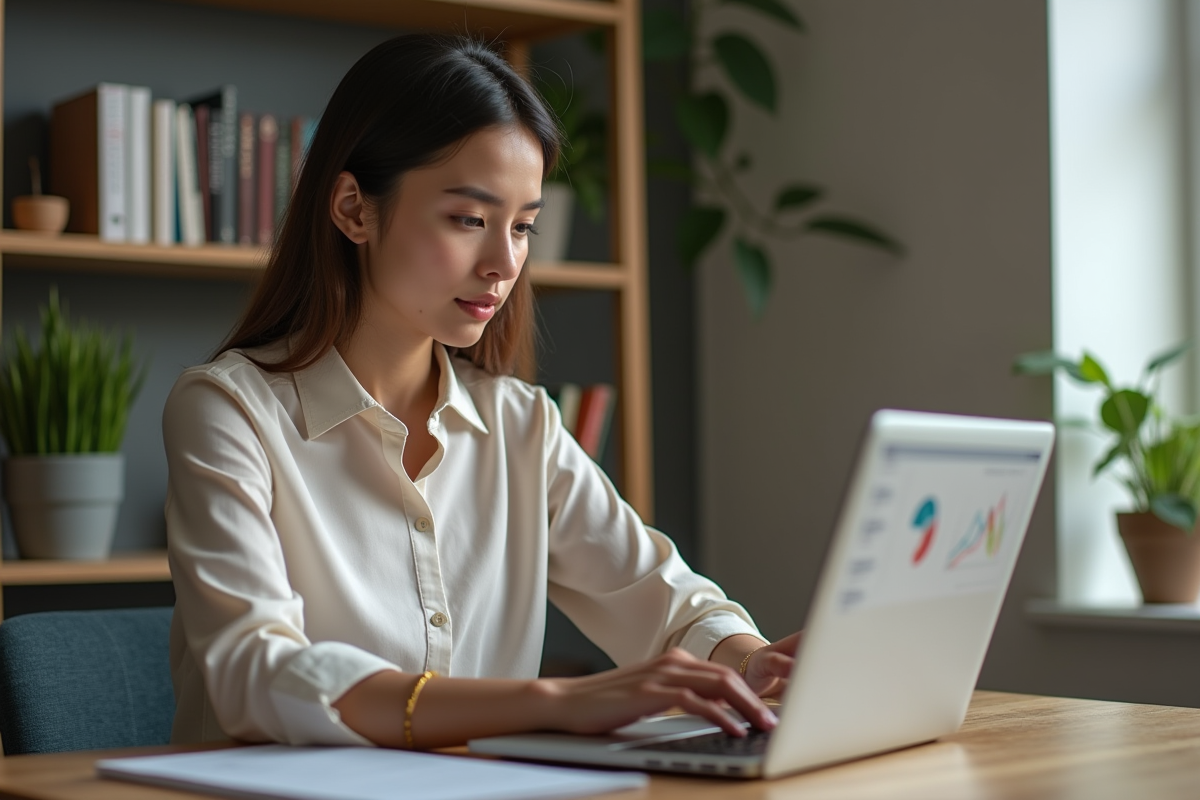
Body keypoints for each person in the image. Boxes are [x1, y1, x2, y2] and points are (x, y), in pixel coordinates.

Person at [163, 33, 798, 750]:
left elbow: (663, 602)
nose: (504, 263)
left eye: (522, 226)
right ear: (352, 209)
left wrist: (755, 662)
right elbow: (257, 671)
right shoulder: (229, 411)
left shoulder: (521, 424)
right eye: (469, 219)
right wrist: (550, 702)